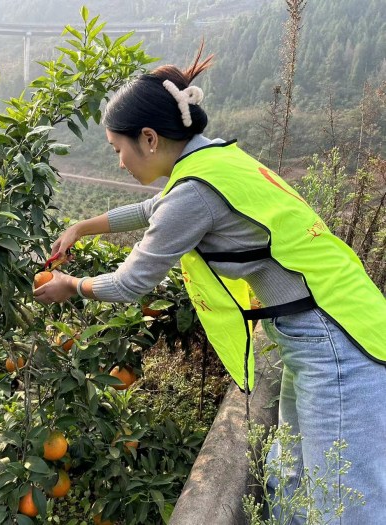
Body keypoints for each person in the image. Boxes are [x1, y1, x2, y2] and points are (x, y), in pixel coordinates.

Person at [33, 46, 386, 523]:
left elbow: (132, 282)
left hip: (334, 338)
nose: (118, 163)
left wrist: (73, 285)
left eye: (119, 150)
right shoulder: (215, 159)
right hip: (327, 322)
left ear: (150, 138)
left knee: (345, 502)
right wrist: (80, 228)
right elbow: (153, 209)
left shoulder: (194, 191)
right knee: (293, 475)